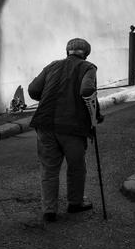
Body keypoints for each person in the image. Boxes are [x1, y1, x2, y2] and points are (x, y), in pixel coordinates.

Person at [27, 38, 102, 223]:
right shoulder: (88, 67)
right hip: (72, 126)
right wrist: (96, 114)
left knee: (49, 169)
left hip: (45, 124)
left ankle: (49, 211)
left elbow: (33, 90)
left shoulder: (52, 66)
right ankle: (74, 203)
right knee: (76, 166)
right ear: (86, 53)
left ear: (67, 51)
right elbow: (87, 90)